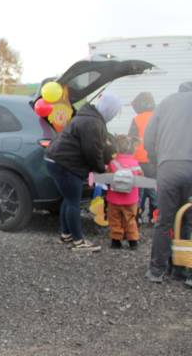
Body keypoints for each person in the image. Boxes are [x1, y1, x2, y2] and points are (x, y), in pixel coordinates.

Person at [45, 91, 122, 252]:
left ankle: (66, 234)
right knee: (73, 201)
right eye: (114, 112)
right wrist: (102, 168)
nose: (114, 115)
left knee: (68, 198)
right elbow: (92, 151)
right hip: (65, 163)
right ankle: (78, 241)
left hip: (55, 160)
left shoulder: (88, 116)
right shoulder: (93, 123)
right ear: (109, 109)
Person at [144, 81, 192, 284]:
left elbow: (148, 137)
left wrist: (157, 160)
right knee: (188, 220)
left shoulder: (166, 103)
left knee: (164, 221)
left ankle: (157, 271)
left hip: (169, 168)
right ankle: (185, 272)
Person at [106, 135, 143, 250]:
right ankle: (133, 241)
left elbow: (108, 178)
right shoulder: (135, 164)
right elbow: (140, 179)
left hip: (114, 198)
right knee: (130, 219)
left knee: (115, 219)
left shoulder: (113, 163)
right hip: (130, 199)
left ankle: (116, 241)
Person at [129, 91, 158, 223]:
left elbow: (131, 140)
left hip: (138, 160)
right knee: (153, 188)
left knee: (138, 190)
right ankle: (154, 215)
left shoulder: (136, 119)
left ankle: (138, 216)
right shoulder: (157, 117)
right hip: (153, 159)